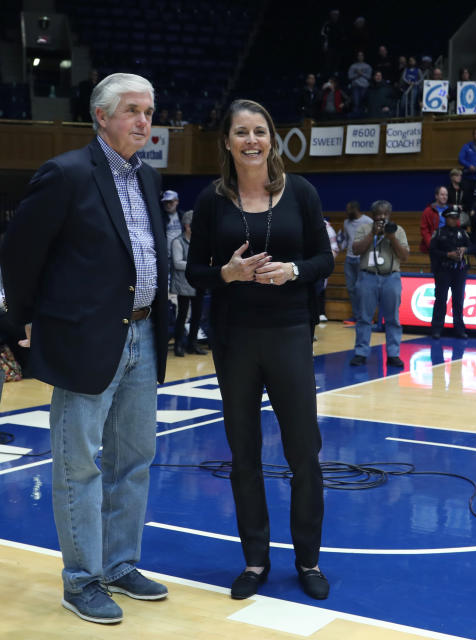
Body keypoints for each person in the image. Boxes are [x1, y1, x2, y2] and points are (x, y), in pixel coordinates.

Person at [0, 72, 170, 624]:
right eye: (132, 111)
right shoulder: (67, 174)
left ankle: (120, 564)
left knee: (135, 460)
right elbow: (19, 253)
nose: (144, 121)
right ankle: (82, 580)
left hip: (143, 332)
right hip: (85, 339)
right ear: (102, 116)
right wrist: (20, 326)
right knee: (80, 466)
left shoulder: (149, 178)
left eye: (148, 111)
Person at [186, 99, 333, 601]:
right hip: (234, 338)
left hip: (290, 331)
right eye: (242, 133)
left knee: (303, 452)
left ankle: (308, 560)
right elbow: (194, 273)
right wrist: (225, 274)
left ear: (273, 138)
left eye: (260, 131)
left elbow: (324, 259)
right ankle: (254, 561)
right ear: (226, 142)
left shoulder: (303, 193)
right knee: (243, 452)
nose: (252, 141)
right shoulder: (211, 201)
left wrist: (293, 270)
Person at [349, 200, 408, 368]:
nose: (382, 217)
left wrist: (392, 238)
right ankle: (361, 353)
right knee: (364, 318)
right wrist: (372, 235)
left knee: (393, 319)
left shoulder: (398, 230)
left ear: (389, 215)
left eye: (385, 214)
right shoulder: (364, 229)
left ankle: (393, 354)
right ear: (373, 215)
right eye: (378, 214)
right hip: (367, 277)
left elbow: (404, 256)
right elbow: (356, 250)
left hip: (391, 278)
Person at [0, 256, 29, 369]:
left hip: (16, 315)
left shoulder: (24, 271)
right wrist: (17, 304)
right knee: (19, 326)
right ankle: (27, 369)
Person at [429, 209, 470, 339]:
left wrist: (465, 249)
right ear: (446, 218)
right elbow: (432, 251)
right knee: (441, 299)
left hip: (459, 270)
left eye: (456, 218)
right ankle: (436, 329)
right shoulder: (439, 232)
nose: (454, 220)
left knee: (458, 300)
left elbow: (472, 246)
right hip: (443, 270)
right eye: (451, 217)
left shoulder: (462, 232)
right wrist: (448, 255)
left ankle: (459, 329)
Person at [170, 210, 206, 357]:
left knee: (197, 315)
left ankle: (192, 344)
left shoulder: (200, 241)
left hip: (198, 283)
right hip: (183, 284)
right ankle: (178, 344)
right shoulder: (177, 242)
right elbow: (177, 263)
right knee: (182, 315)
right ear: (187, 226)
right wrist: (197, 265)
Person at [336, 200, 372, 327]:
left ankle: (366, 316)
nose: (346, 212)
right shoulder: (346, 222)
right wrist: (340, 242)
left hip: (363, 259)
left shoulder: (368, 221)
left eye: (348, 210)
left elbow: (373, 239)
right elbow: (346, 240)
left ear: (355, 209)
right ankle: (356, 316)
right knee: (351, 289)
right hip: (349, 259)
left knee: (362, 288)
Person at [420, 185, 451, 253]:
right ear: (436, 196)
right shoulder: (428, 211)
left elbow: (457, 226)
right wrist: (431, 244)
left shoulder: (451, 210)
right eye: (442, 195)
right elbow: (424, 230)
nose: (444, 197)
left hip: (449, 244)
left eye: (446, 195)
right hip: (435, 244)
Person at [347, 51, 372, 117]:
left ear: (363, 57)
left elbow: (369, 77)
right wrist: (357, 75)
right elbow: (350, 77)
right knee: (356, 103)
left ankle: (363, 118)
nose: (360, 56)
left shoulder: (367, 66)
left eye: (362, 55)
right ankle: (355, 120)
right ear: (357, 56)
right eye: (359, 55)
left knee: (363, 103)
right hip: (356, 86)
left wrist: (361, 73)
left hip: (365, 86)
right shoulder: (353, 66)